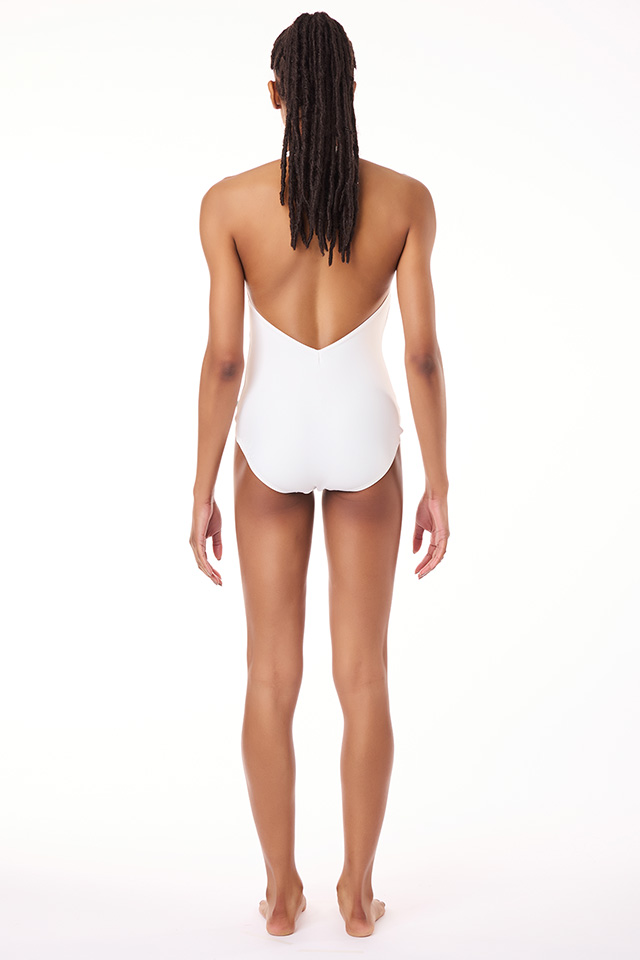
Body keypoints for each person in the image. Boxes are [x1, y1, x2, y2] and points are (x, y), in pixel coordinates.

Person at [189, 11, 450, 940]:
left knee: (270, 675)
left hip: (269, 439)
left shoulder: (229, 205)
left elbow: (227, 361)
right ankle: (358, 893)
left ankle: (278, 893)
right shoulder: (406, 201)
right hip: (364, 437)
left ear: (277, 95)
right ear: (350, 90)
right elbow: (421, 356)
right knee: (363, 675)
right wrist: (439, 483)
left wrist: (200, 489)